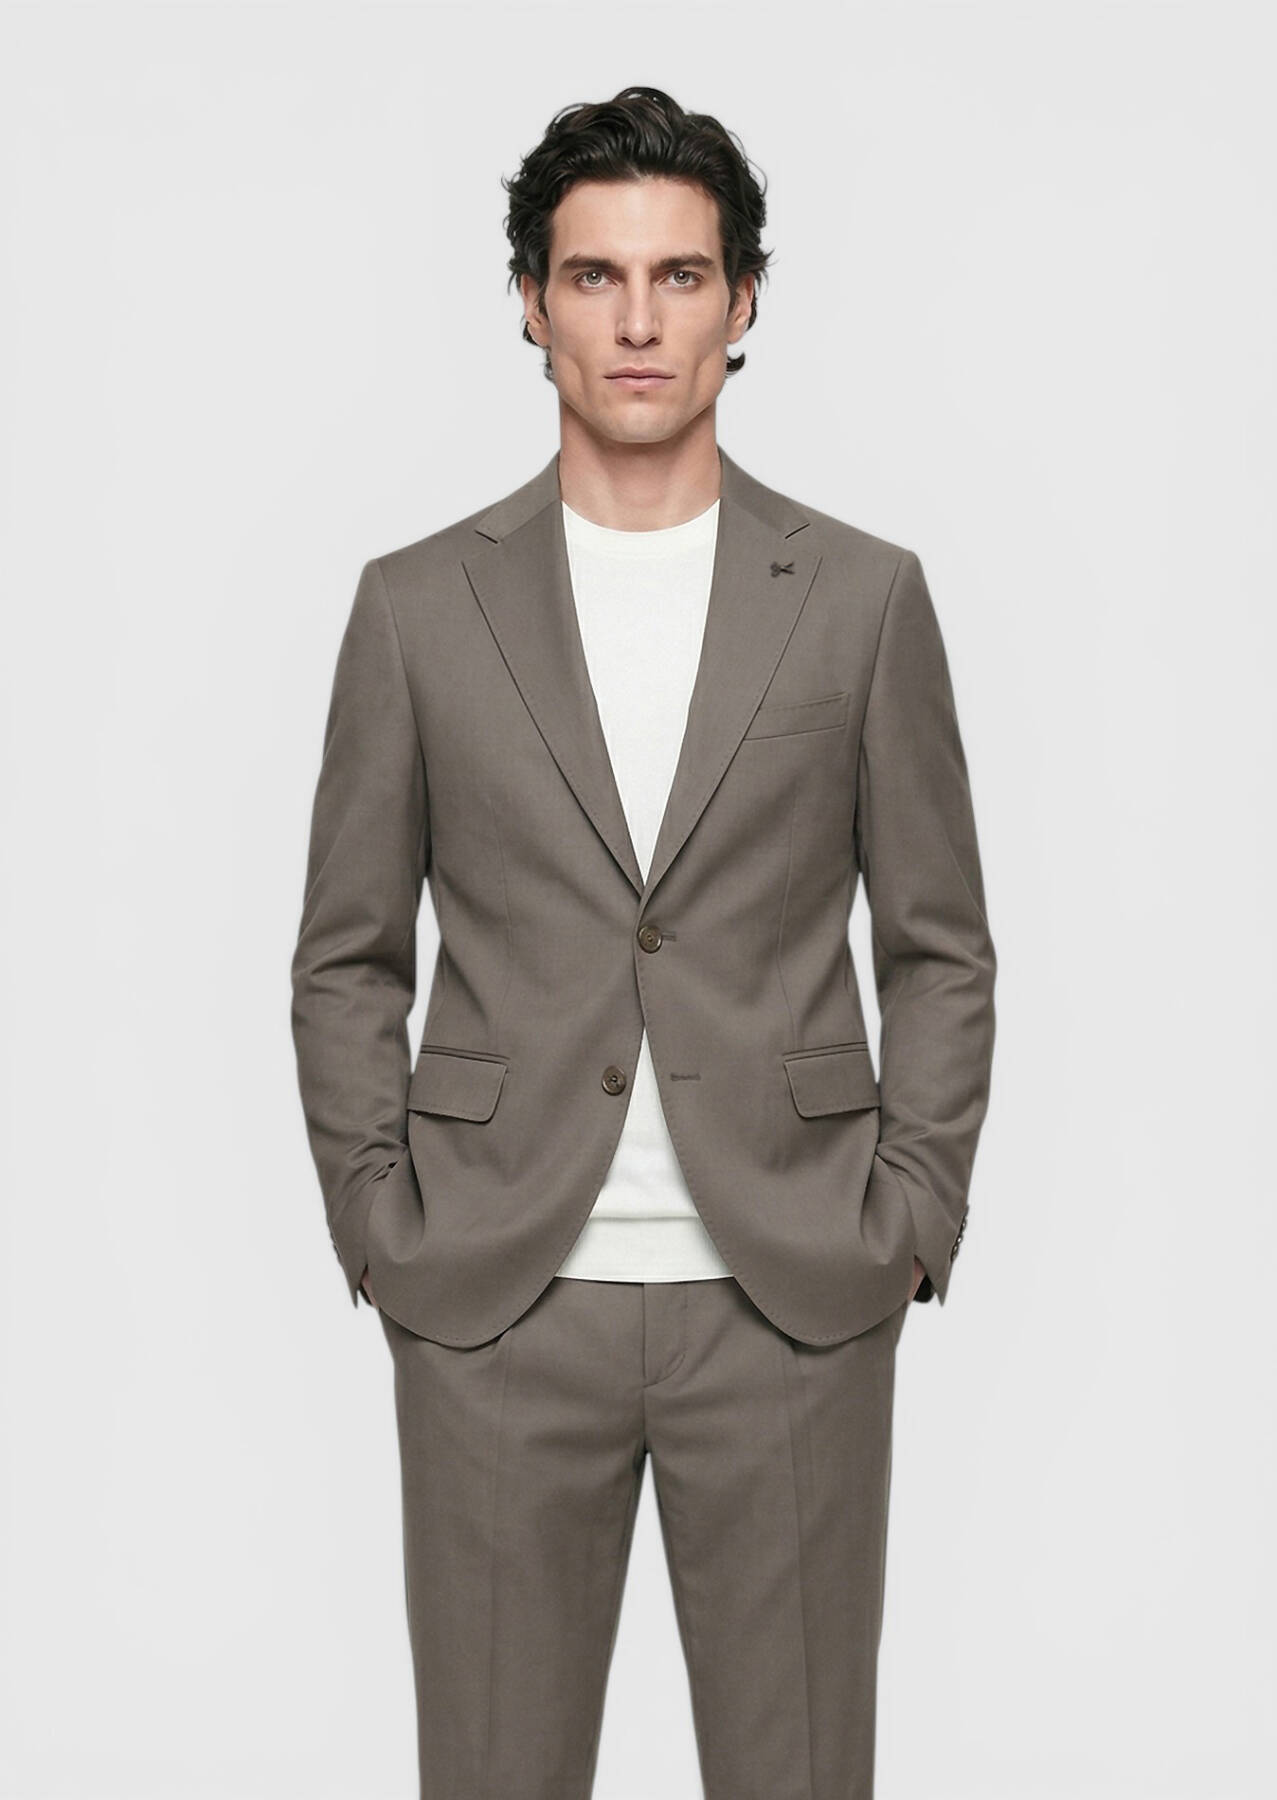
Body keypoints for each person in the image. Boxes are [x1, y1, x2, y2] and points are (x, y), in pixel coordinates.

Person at [290, 84, 996, 1800]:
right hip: (495, 1304)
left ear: (741, 302)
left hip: (792, 1300)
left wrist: (907, 1218)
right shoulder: (414, 607)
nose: (635, 320)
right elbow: (347, 956)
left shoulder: (860, 597)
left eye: (678, 275)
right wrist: (381, 1227)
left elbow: (937, 946)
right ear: (529, 303)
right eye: (593, 276)